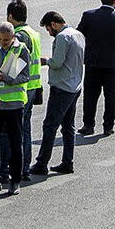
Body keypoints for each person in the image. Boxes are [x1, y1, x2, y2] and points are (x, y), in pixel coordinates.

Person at [30, 11, 85, 176]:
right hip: (75, 86)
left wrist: (46, 60)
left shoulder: (62, 37)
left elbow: (57, 62)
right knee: (68, 127)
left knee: (50, 125)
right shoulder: (78, 34)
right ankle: (67, 162)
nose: (49, 33)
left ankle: (42, 163)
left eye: (48, 29)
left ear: (53, 24)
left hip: (62, 87)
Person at [0, 22, 30, 196]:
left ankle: (15, 180)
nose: (3, 43)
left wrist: (4, 77)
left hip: (13, 104)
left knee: (16, 143)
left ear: (13, 37)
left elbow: (25, 76)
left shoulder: (20, 50)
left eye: (6, 40)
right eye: (0, 39)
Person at [77, 0, 115, 136]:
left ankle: (88, 125)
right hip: (113, 65)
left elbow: (78, 36)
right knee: (111, 97)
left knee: (90, 95)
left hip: (93, 63)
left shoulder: (88, 16)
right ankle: (108, 127)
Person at [0, 0, 42, 183]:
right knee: (25, 129)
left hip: (21, 88)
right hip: (32, 86)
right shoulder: (32, 32)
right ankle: (24, 167)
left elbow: (12, 68)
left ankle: (14, 168)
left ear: (10, 16)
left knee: (13, 131)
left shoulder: (20, 36)